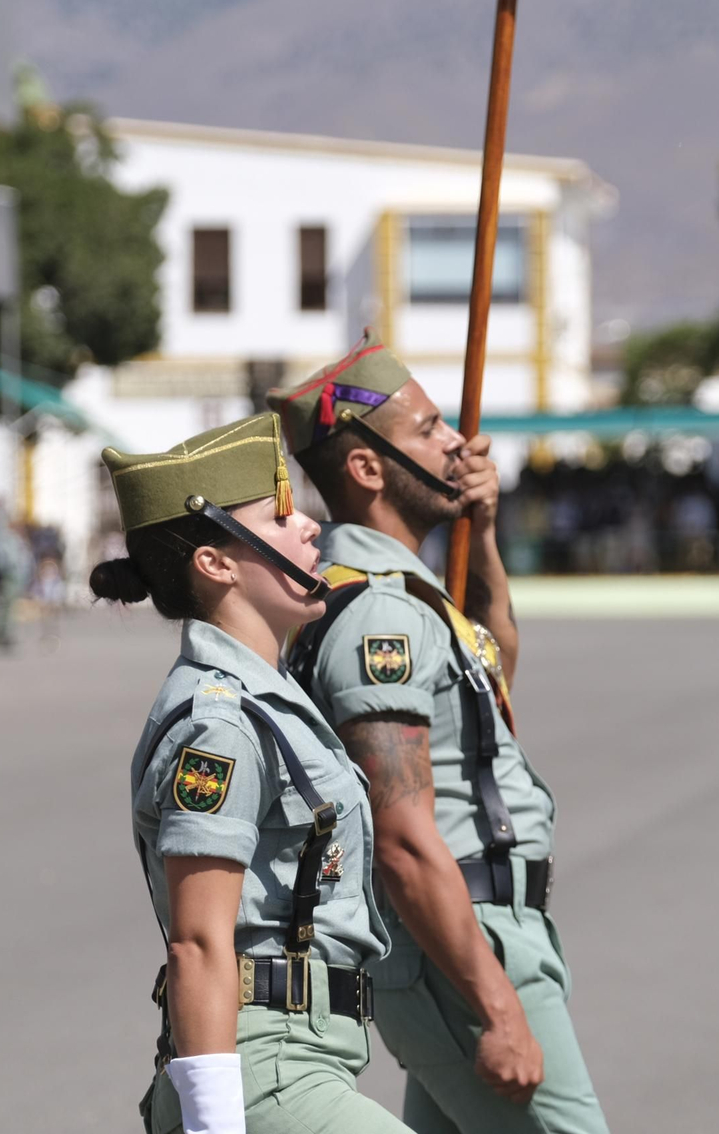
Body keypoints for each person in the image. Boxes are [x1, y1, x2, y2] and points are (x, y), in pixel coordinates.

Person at [267, 331, 608, 1134]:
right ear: (367, 468)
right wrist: (498, 1006)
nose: (459, 442)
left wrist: (479, 531)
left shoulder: (407, 595)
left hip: (478, 934)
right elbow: (403, 836)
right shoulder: (380, 610)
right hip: (464, 940)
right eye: (429, 429)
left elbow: (495, 675)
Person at [93, 412, 411, 1134]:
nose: (310, 529)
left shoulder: (270, 694)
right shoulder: (221, 722)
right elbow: (199, 940)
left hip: (304, 1060)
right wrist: (214, 1125)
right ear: (217, 561)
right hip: (260, 1070)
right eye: (279, 514)